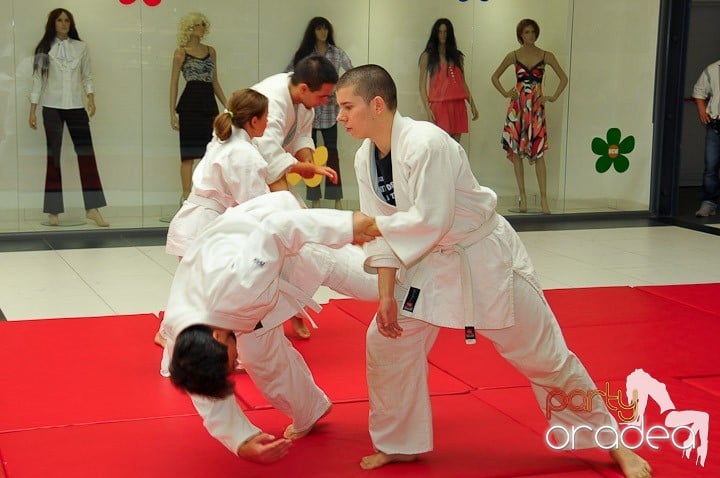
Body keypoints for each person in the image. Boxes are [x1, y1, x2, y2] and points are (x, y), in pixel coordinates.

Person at [335, 64, 652, 478]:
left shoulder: (427, 144)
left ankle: (612, 442)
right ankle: (400, 443)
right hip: (428, 262)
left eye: (346, 106)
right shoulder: (365, 157)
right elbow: (382, 234)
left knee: (547, 359)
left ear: (377, 105)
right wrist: (386, 296)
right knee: (386, 340)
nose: (339, 117)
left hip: (483, 258)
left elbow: (432, 221)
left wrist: (367, 226)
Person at [164, 190, 378, 463]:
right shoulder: (184, 339)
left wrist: (346, 227)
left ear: (217, 337)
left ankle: (421, 255)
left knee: (379, 287)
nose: (233, 367)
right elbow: (204, 386)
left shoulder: (240, 284)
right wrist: (241, 442)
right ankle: (310, 409)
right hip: (245, 303)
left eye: (230, 363)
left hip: (291, 239)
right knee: (259, 360)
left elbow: (277, 230)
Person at [157, 88, 340, 347]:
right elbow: (255, 205)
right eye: (266, 117)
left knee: (197, 287)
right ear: (254, 121)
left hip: (198, 220)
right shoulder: (243, 153)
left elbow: (262, 178)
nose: (269, 122)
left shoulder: (226, 138)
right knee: (211, 291)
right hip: (203, 223)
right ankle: (183, 338)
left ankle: (172, 333)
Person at [252, 55, 339, 339]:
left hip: (271, 178)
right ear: (304, 88)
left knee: (298, 249)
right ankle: (260, 318)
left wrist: (311, 163)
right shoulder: (270, 99)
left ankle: (294, 311)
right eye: (323, 95)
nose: (326, 102)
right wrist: (288, 207)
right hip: (252, 182)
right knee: (271, 253)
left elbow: (302, 137)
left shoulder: (303, 102)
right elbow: (268, 155)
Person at [29, 8, 108, 227]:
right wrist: (32, 110)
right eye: (59, 20)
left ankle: (92, 208)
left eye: (67, 20)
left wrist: (91, 98)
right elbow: (38, 80)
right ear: (53, 23)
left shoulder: (81, 47)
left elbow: (87, 75)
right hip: (51, 107)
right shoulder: (45, 48)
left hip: (76, 107)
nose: (63, 24)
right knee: (53, 157)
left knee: (87, 155)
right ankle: (53, 211)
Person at [491, 18, 568, 214]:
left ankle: (544, 200)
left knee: (539, 152)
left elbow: (563, 78)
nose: (530, 35)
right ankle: (523, 197)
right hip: (517, 109)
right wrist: (507, 93)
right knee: (516, 152)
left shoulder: (546, 56)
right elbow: (494, 76)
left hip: (535, 110)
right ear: (520, 35)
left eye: (533, 32)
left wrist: (550, 97)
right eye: (526, 32)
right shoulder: (514, 56)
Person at [286, 17, 353, 210]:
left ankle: (336, 197)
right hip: (308, 113)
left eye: (325, 29)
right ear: (312, 31)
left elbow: (352, 75)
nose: (322, 33)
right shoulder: (305, 54)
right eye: (318, 29)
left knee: (332, 154)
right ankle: (314, 197)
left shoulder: (337, 53)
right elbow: (289, 74)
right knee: (309, 155)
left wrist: (338, 95)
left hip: (331, 112)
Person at [169, 12, 227, 202]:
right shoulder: (181, 52)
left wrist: (228, 106)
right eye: (199, 25)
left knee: (209, 152)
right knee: (187, 155)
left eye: (203, 25)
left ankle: (204, 194)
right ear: (191, 27)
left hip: (208, 105)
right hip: (190, 105)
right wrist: (172, 113)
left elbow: (215, 81)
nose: (202, 28)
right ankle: (185, 195)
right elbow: (174, 84)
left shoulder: (211, 51)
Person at [418, 18, 478, 143]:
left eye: (445, 32)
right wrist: (428, 110)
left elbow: (463, 83)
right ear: (435, 33)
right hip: (439, 106)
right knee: (440, 145)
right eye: (440, 32)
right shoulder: (428, 56)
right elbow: (421, 86)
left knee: (455, 148)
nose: (443, 35)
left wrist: (472, 104)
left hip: (458, 104)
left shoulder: (457, 56)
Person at [691, 59, 720, 217]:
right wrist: (702, 110)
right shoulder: (713, 69)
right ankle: (709, 203)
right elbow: (699, 90)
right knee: (711, 167)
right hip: (716, 125)